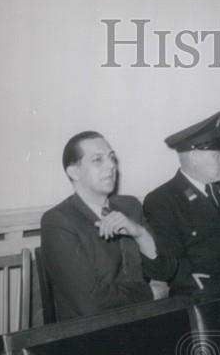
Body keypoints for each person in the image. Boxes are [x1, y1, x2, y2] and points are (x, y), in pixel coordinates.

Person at [40, 131, 176, 320]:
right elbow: (91, 302)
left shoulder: (130, 206)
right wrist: (150, 293)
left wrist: (140, 233)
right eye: (98, 160)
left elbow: (167, 271)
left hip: (142, 322)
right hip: (90, 334)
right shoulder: (58, 221)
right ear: (74, 172)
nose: (111, 166)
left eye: (112, 158)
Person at [143, 112, 220, 296]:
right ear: (194, 156)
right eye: (216, 155)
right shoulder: (162, 200)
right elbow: (172, 263)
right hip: (201, 298)